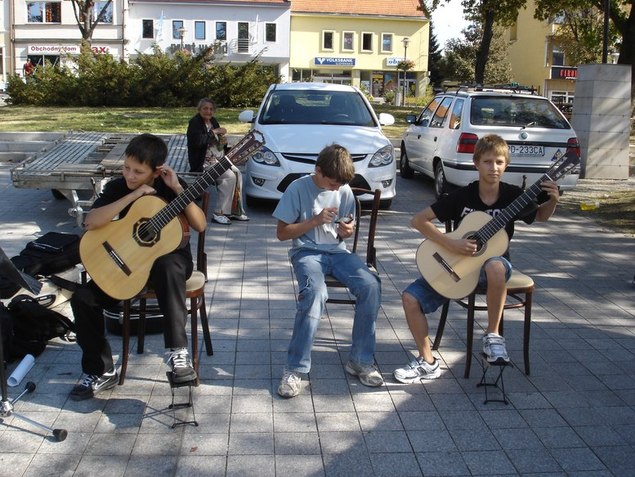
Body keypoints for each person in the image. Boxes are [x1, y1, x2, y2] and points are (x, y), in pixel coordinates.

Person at [393, 134, 560, 383]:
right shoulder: (463, 196)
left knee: (494, 265)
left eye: (500, 162)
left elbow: (541, 217)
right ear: (476, 163)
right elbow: (418, 220)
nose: (494, 167)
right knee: (409, 298)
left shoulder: (514, 196)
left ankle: (493, 337)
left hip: (495, 270)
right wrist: (451, 243)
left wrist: (553, 200)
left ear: (506, 165)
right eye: (488, 161)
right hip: (458, 267)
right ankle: (427, 362)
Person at [69, 133, 207, 400]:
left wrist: (179, 189)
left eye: (138, 172)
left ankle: (177, 353)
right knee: (83, 298)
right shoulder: (119, 187)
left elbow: (200, 225)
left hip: (169, 267)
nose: (130, 176)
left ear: (156, 171)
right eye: (126, 168)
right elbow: (92, 221)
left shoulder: (172, 187)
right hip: (128, 266)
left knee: (168, 266)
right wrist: (135, 196)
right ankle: (101, 370)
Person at [273, 144, 383, 398]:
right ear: (318, 171)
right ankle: (295, 369)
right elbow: (281, 233)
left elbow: (346, 225)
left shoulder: (343, 190)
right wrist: (314, 220)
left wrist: (348, 230)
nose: (336, 188)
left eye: (340, 184)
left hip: (338, 251)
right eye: (332, 183)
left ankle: (360, 360)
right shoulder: (298, 188)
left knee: (371, 285)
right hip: (307, 251)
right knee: (314, 293)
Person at [187, 98, 249, 225]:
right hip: (203, 163)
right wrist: (214, 132)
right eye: (205, 108)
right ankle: (219, 213)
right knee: (229, 177)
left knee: (237, 173)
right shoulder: (194, 123)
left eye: (211, 109)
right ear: (199, 110)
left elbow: (218, 143)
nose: (208, 111)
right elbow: (197, 142)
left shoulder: (213, 121)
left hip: (217, 160)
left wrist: (222, 141)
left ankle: (235, 211)